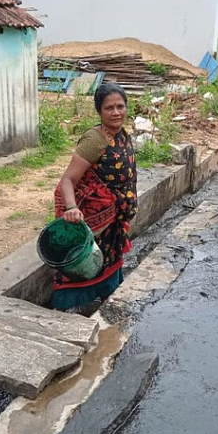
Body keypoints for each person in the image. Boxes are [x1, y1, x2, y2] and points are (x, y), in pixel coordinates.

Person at [52, 83, 138, 311]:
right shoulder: (94, 141)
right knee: (84, 266)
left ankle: (105, 304)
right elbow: (67, 180)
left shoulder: (122, 136)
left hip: (113, 224)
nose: (116, 112)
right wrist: (71, 207)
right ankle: (68, 312)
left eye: (120, 106)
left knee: (108, 264)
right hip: (93, 222)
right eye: (109, 108)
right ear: (99, 111)